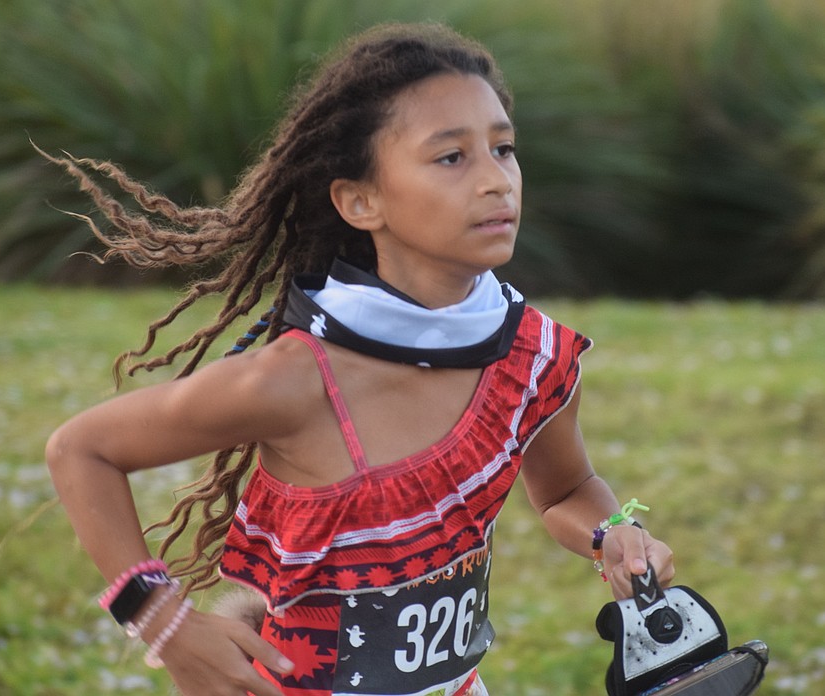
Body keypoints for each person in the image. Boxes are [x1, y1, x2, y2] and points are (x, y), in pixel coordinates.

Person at [43, 22, 675, 696]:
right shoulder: (295, 382)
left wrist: (613, 533)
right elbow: (81, 451)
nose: (497, 181)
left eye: (504, 148)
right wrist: (165, 624)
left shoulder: (535, 358)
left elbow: (566, 491)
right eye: (451, 158)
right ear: (359, 200)